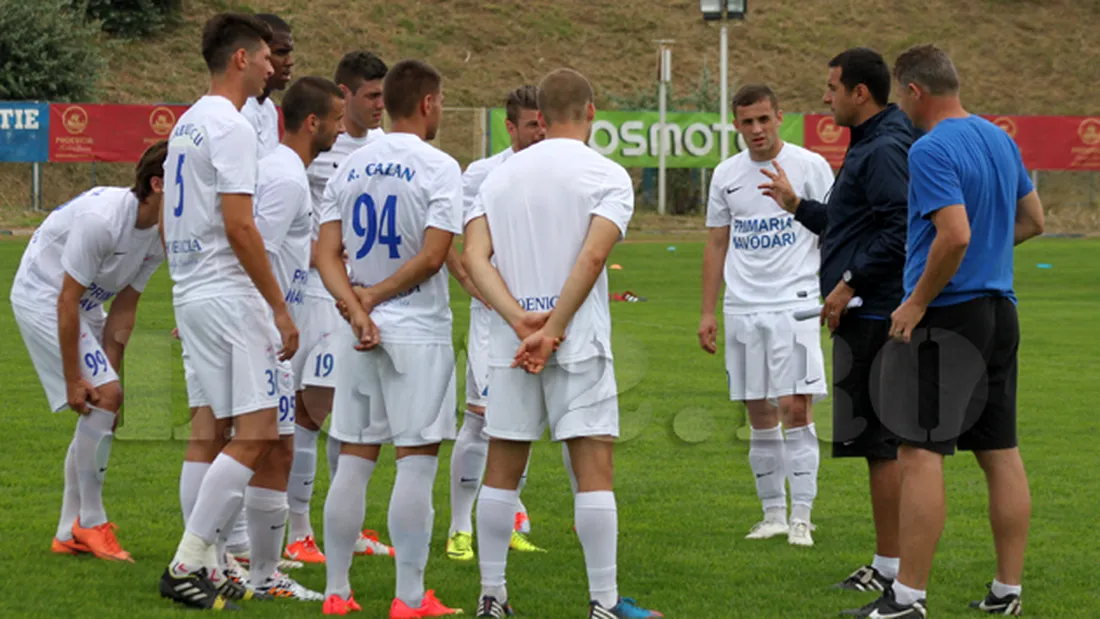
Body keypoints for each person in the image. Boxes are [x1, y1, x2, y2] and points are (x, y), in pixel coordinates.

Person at [847, 44, 1043, 619]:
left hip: (948, 315)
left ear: (913, 92)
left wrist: (915, 301)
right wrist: (984, 255)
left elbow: (952, 235)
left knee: (918, 451)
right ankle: (1008, 591)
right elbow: (1034, 221)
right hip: (999, 312)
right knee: (999, 451)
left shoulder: (930, 147)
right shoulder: (999, 139)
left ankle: (907, 597)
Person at [463, 67, 661, 619]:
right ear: (592, 112)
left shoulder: (497, 177)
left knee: (501, 467)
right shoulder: (607, 174)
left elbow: (476, 258)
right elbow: (593, 257)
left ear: (541, 119)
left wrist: (521, 322)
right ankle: (602, 603)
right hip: (575, 342)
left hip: (513, 344)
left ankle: (492, 597)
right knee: (594, 469)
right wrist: (552, 330)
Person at [156, 13, 298, 611]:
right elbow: (241, 226)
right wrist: (278, 307)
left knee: (209, 429)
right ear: (240, 59)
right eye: (266, 55)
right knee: (259, 432)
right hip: (227, 293)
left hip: (192, 289)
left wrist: (186, 281)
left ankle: (209, 563)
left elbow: (170, 216)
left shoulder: (186, 123)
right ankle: (188, 561)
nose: (273, 66)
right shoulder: (234, 127)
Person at [757, 48, 914, 588]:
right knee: (877, 447)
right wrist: (797, 205)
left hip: (873, 313)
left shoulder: (886, 148)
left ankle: (893, 569)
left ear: (859, 93)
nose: (825, 97)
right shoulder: (870, 143)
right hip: (862, 312)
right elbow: (853, 223)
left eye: (832, 87)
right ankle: (889, 564)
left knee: (883, 447)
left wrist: (849, 284)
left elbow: (900, 228)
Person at [315, 58, 463, 618]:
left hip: (356, 330)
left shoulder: (349, 166)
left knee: (353, 459)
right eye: (441, 101)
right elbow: (432, 256)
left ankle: (336, 592)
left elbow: (326, 254)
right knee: (416, 462)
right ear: (427, 103)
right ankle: (407, 598)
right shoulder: (440, 165)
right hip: (416, 330)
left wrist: (355, 306)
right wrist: (373, 299)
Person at [11, 141, 168, 564]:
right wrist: (73, 380)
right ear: (156, 184)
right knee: (101, 396)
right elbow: (65, 300)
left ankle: (68, 531)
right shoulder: (103, 221)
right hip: (43, 295)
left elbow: (126, 306)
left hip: (82, 304)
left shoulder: (159, 231)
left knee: (107, 403)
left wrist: (111, 380)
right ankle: (91, 522)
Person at [699, 84, 834, 547]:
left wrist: (833, 293)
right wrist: (707, 311)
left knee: (796, 407)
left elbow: (834, 229)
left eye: (764, 119)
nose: (756, 130)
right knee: (759, 411)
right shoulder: (726, 175)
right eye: (747, 122)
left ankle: (802, 516)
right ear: (735, 124)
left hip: (795, 301)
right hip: (743, 306)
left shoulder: (811, 167)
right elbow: (717, 242)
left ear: (779, 117)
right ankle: (773, 514)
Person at [235, 75, 346, 601]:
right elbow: (253, 244)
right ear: (313, 123)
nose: (342, 131)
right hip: (260, 329)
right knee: (256, 444)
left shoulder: (286, 171)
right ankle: (214, 560)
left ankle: (255, 569)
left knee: (274, 446)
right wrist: (277, 313)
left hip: (267, 326)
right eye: (337, 121)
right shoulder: (286, 177)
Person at [285, 49, 395, 565]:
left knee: (351, 413)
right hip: (315, 294)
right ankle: (301, 531)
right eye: (371, 95)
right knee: (315, 412)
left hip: (360, 296)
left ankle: (340, 530)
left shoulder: (383, 149)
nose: (381, 104)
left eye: (384, 94)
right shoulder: (312, 149)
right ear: (344, 95)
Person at [446, 84, 548, 563]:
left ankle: (506, 519)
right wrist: (484, 294)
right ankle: (459, 526)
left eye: (544, 123)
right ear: (510, 127)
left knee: (521, 425)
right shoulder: (483, 175)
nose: (540, 132)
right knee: (480, 420)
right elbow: (454, 240)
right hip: (495, 320)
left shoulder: (556, 171)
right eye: (531, 124)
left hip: (541, 319)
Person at [240, 13, 294, 158]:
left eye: (289, 53)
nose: (290, 62)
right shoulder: (238, 111)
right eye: (281, 53)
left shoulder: (269, 109)